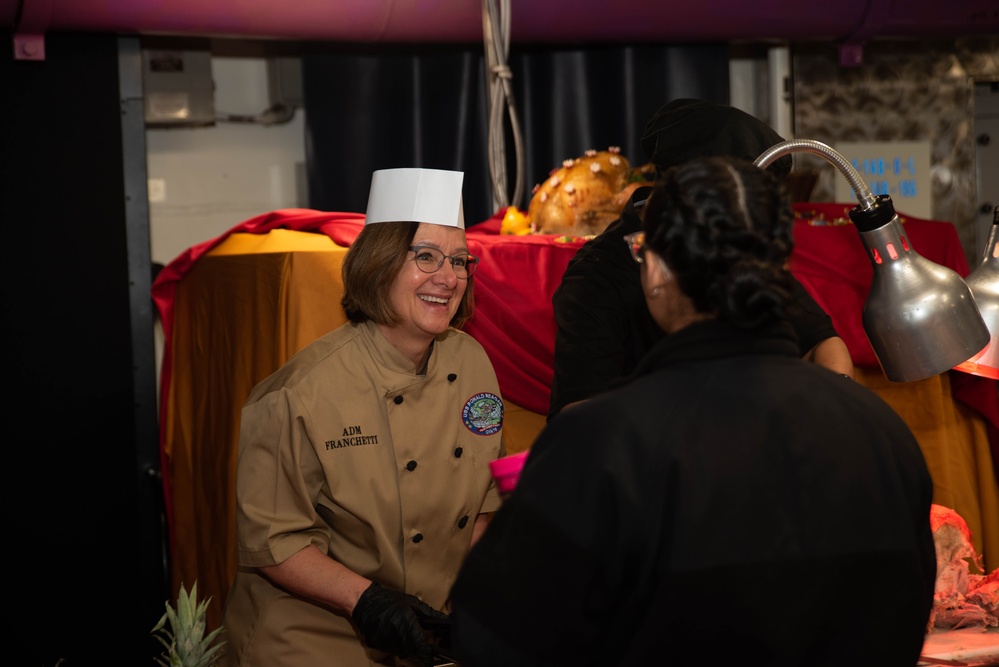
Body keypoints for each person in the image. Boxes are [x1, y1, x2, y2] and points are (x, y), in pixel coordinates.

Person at [449, 156, 937, 667]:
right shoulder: (881, 432)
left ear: (656, 269)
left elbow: (493, 639)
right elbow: (903, 616)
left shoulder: (601, 442)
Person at [221, 167, 506, 666]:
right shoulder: (300, 394)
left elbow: (481, 504)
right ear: (379, 263)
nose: (448, 277)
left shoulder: (472, 363)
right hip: (315, 634)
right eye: (425, 257)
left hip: (426, 627)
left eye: (460, 261)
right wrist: (367, 602)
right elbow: (273, 541)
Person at [548, 98, 854, 419]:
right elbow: (576, 411)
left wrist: (834, 405)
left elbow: (823, 342)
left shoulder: (738, 243)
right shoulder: (597, 275)